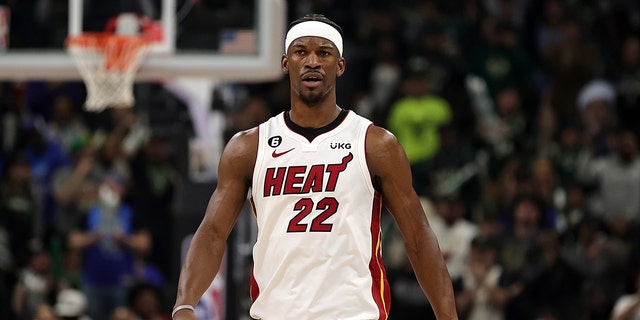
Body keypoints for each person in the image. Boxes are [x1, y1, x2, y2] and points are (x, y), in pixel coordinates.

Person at [172, 14, 457, 320]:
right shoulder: (249, 147)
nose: (312, 61)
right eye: (300, 52)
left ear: (340, 65)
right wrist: (185, 303)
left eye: (324, 53)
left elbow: (417, 236)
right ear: (285, 63)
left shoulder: (374, 144)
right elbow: (213, 232)